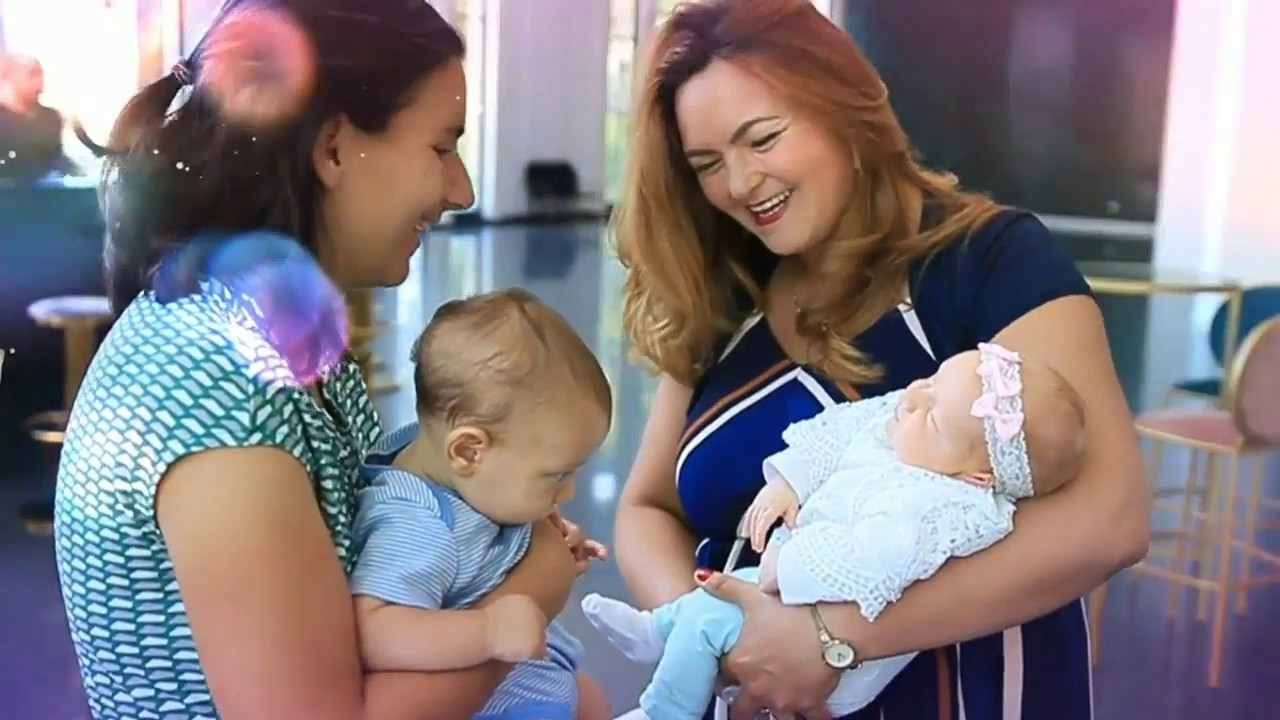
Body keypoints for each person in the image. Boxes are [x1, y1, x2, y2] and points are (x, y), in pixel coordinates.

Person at [53, 2, 600, 719]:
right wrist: (534, 587)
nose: (461, 189)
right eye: (440, 147)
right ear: (334, 147)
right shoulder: (223, 396)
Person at [610, 1, 1148, 719]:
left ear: (845, 105)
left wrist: (828, 639)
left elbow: (1109, 516)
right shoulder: (727, 294)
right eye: (707, 164)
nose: (738, 183)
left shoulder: (987, 260)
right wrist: (721, 642)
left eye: (762, 139)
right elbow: (648, 508)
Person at [584, 343, 1085, 719]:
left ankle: (663, 711)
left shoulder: (941, 508)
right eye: (931, 381)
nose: (913, 396)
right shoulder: (912, 436)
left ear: (978, 477)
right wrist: (790, 482)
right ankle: (659, 629)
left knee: (714, 617)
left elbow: (873, 562)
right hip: (793, 599)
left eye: (932, 416)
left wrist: (787, 565)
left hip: (838, 645)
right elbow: (845, 428)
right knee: (709, 608)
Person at [351, 288, 611, 720]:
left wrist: (537, 543)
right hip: (495, 704)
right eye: (556, 475)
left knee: (595, 702)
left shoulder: (450, 471)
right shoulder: (415, 525)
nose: (567, 493)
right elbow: (373, 627)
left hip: (532, 680)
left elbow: (481, 547)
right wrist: (487, 630)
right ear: (469, 450)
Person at [0, 53, 76, 180]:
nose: (39, 81)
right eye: (32, 74)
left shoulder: (50, 118)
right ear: (11, 77)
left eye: (40, 74)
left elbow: (56, 158)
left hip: (44, 189)